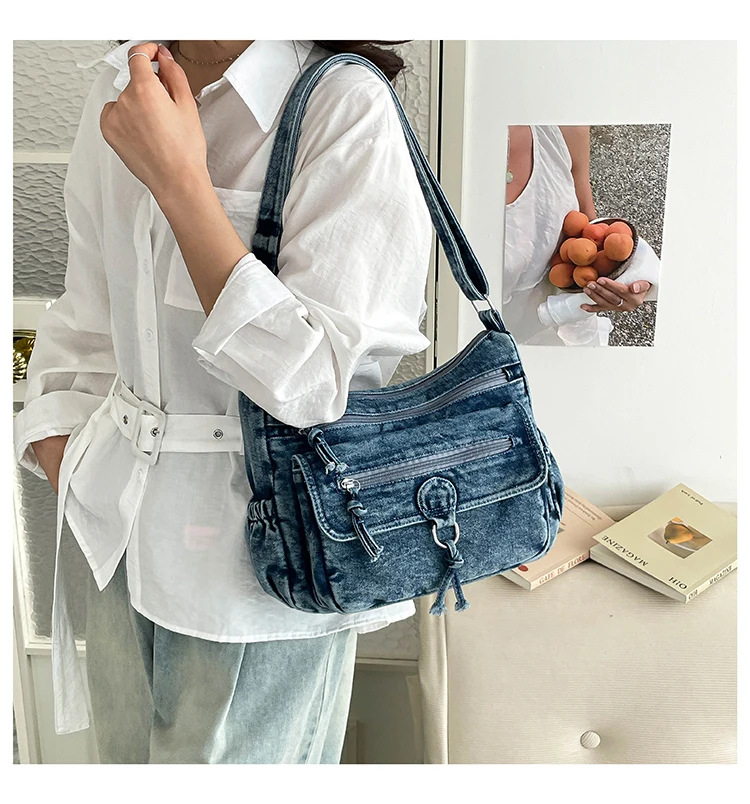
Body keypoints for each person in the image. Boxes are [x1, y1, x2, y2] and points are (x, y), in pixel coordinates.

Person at [13, 39, 433, 764]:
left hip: (267, 568)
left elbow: (318, 384)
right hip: (120, 542)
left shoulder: (342, 104)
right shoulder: (122, 84)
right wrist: (64, 452)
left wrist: (181, 182)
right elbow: (88, 312)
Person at [502, 125, 657, 346]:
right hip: (485, 349)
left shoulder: (564, 126)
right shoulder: (455, 168)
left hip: (564, 331)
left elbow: (587, 228)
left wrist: (625, 278)